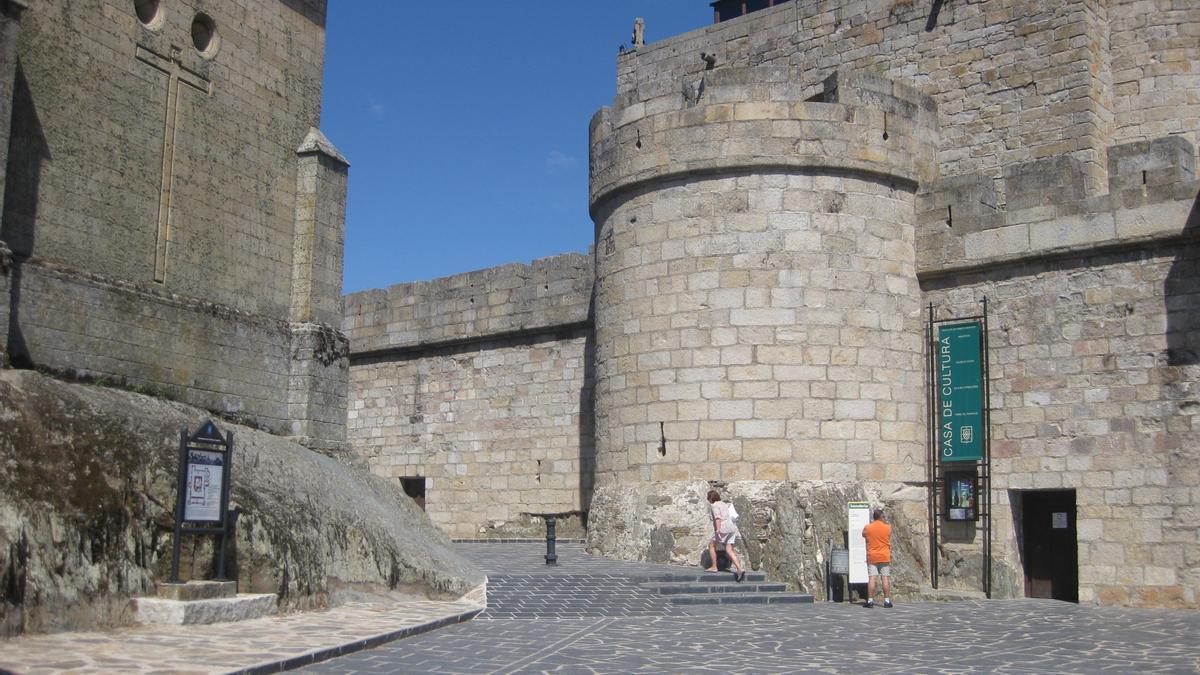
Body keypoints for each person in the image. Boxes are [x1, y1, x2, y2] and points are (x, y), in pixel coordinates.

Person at [705, 489, 746, 582]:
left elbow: (718, 518)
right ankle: (739, 568)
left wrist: (718, 530)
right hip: (731, 528)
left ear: (710, 498)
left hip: (723, 528)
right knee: (729, 549)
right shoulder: (724, 504)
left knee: (711, 545)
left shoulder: (714, 505)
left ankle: (714, 566)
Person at [861, 507, 893, 608]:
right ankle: (887, 601)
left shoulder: (868, 528)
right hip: (884, 556)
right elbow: (888, 535)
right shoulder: (887, 527)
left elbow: (863, 535)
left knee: (872, 578)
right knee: (885, 578)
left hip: (872, 556)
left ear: (874, 517)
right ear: (881, 517)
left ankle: (870, 601)